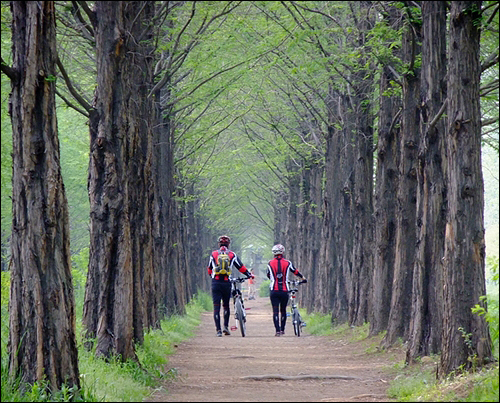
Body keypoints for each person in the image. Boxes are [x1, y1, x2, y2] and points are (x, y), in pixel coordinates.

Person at [207, 235, 254, 337]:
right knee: (226, 306)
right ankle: (226, 327)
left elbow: (209, 269)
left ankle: (218, 331)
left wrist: (213, 276)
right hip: (226, 283)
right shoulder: (232, 254)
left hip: (216, 283)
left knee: (216, 308)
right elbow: (241, 267)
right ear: (228, 244)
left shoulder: (213, 254)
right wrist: (249, 275)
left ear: (219, 244)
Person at [266, 243, 306, 336]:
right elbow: (295, 271)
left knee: (275, 310)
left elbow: (268, 274)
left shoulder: (270, 263)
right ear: (283, 252)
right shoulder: (288, 263)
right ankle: (283, 329)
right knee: (283, 310)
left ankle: (277, 331)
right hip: (284, 290)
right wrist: (303, 278)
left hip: (274, 290)